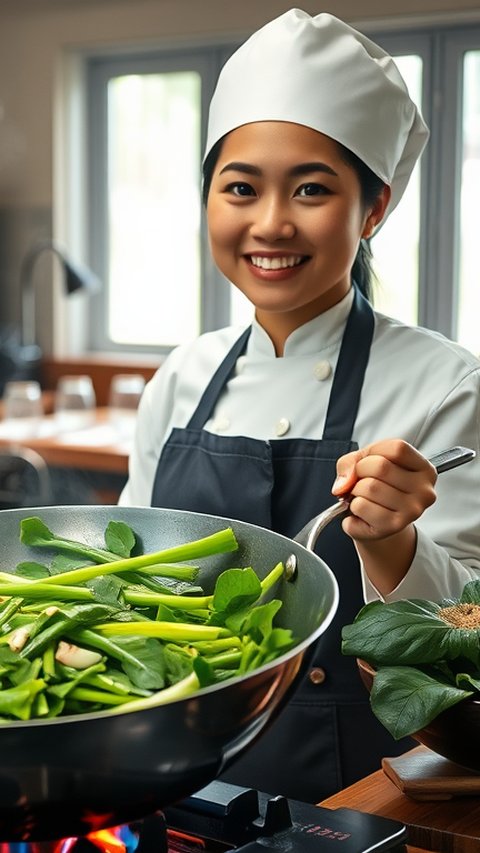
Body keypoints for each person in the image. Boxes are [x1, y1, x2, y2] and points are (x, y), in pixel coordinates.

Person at [119, 9, 480, 802]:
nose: (271, 222)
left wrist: (394, 540)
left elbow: (469, 636)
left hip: (358, 793)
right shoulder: (182, 376)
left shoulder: (444, 381)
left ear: (374, 207)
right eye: (241, 187)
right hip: (173, 780)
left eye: (312, 189)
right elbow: (124, 576)